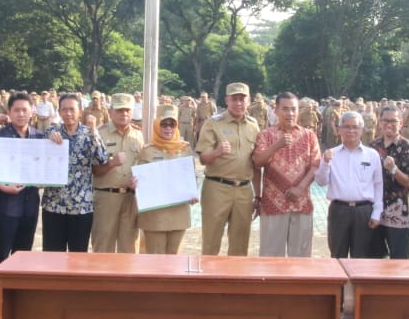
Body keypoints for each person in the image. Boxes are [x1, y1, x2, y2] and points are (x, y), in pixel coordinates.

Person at [0, 91, 50, 304]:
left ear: (32, 112)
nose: (21, 114)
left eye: (24, 110)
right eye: (16, 110)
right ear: (9, 112)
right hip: (5, 204)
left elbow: (47, 168)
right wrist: (4, 187)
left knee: (24, 254)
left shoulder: (40, 138)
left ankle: (20, 300)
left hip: (30, 205)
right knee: (3, 252)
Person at [252, 92, 321, 257]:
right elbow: (257, 162)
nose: (290, 113)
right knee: (270, 255)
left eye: (293, 109)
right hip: (273, 204)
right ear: (276, 110)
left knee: (301, 257)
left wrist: (300, 188)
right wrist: (276, 146)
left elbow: (316, 165)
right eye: (285, 109)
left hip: (301, 203)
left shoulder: (309, 136)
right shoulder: (265, 135)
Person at [197, 82, 260, 256]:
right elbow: (202, 158)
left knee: (240, 243)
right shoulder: (213, 123)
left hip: (244, 190)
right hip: (217, 187)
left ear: (249, 101)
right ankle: (208, 281)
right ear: (227, 100)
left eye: (242, 99)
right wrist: (216, 153)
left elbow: (255, 163)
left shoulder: (253, 125)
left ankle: (235, 282)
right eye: (235, 99)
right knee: (211, 240)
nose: (239, 103)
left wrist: (258, 194)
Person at [41, 93, 108, 252]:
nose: (68, 113)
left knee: (78, 256)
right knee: (52, 256)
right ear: (59, 111)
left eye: (72, 109)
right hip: (54, 205)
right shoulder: (51, 132)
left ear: (80, 111)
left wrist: (94, 132)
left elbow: (101, 159)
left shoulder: (89, 133)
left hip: (81, 206)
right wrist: (48, 138)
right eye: (64, 109)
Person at [315, 111, 383, 258]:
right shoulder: (331, 154)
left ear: (362, 130)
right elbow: (321, 182)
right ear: (339, 129)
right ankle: (339, 282)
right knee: (337, 255)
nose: (351, 131)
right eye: (346, 127)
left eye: (355, 127)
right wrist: (325, 163)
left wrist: (377, 212)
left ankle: (358, 282)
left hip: (364, 211)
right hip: (339, 210)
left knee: (361, 257)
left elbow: (378, 185)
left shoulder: (372, 155)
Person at [135, 103, 198, 254]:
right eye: (164, 124)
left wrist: (193, 193)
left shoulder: (185, 149)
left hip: (178, 213)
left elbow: (192, 178)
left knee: (174, 261)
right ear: (157, 125)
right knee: (155, 262)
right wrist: (136, 184)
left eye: (172, 124)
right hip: (155, 215)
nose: (168, 128)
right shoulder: (147, 151)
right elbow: (141, 181)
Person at [91, 92, 145, 253]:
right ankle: (101, 279)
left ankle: (126, 279)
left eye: (127, 110)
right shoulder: (99, 134)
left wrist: (138, 182)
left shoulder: (138, 135)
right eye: (120, 110)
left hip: (130, 198)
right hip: (106, 198)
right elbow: (93, 170)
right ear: (110, 111)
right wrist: (111, 164)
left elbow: (142, 166)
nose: (124, 114)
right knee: (103, 246)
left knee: (129, 248)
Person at [368, 104, 409, 259]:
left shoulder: (406, 147)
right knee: (374, 257)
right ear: (379, 123)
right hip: (375, 209)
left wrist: (394, 169)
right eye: (385, 120)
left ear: (401, 124)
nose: (389, 124)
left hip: (397, 211)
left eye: (393, 121)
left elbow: (407, 182)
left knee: (399, 259)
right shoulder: (373, 146)